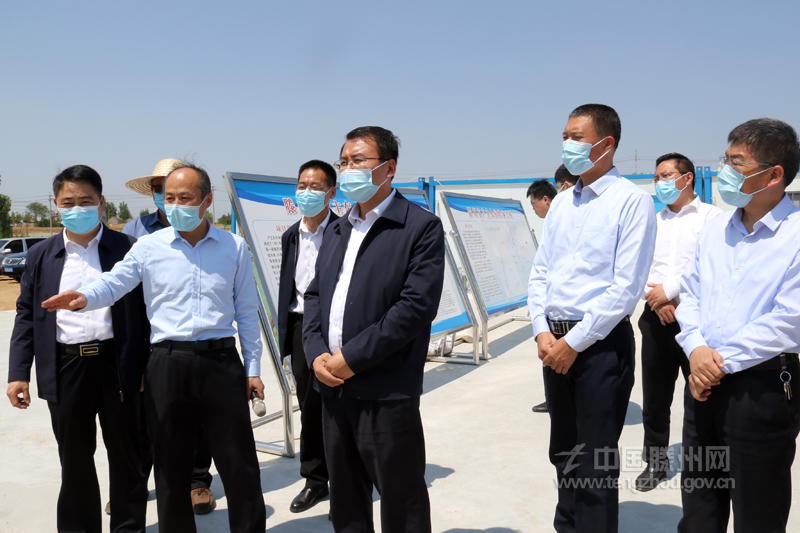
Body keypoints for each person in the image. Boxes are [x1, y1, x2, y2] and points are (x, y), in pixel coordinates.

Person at [42, 161, 267, 533]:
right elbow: (114, 282)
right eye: (169, 198)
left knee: (239, 463)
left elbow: (246, 310)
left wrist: (253, 368)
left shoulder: (233, 246)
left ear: (207, 200)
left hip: (221, 362)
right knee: (169, 467)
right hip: (166, 363)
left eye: (185, 198)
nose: (175, 205)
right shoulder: (148, 247)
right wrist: (84, 297)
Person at [302, 126, 445, 532]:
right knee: (346, 500)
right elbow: (314, 295)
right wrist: (315, 353)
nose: (348, 169)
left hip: (385, 390)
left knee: (401, 500)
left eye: (358, 161)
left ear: (389, 168)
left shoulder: (419, 227)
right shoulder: (338, 227)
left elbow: (414, 308)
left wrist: (351, 358)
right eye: (343, 162)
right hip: (332, 387)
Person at [528, 104, 656, 533]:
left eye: (577, 137)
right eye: (565, 136)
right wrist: (542, 331)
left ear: (606, 144)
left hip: (600, 347)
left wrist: (573, 343)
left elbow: (626, 288)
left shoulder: (633, 202)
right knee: (564, 453)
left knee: (594, 462)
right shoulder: (563, 203)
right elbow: (541, 273)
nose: (567, 145)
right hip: (554, 345)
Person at [7, 165, 149, 533]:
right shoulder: (40, 255)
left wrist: (145, 367)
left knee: (127, 457)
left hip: (118, 365)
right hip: (66, 368)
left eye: (85, 201)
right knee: (74, 461)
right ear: (55, 206)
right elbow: (26, 315)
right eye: (68, 202)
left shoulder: (128, 249)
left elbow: (147, 311)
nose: (77, 208)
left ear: (102, 203)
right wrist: (18, 373)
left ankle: (128, 528)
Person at [676, 118, 800, 532]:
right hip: (701, 384)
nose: (725, 171)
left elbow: (789, 319)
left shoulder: (796, 235)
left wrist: (717, 362)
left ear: (774, 174)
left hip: (760, 389)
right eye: (725, 160)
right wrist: (696, 350)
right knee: (699, 509)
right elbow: (690, 294)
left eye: (737, 162)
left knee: (758, 513)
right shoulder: (715, 228)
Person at [122, 158, 217, 515]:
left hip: (192, 338)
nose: (169, 197)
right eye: (161, 189)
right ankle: (135, 485)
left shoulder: (211, 235)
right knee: (145, 418)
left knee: (197, 417)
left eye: (178, 191)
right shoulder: (135, 230)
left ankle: (197, 481)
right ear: (153, 192)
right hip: (146, 331)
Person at [634, 153, 721, 492]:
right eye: (657, 177)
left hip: (696, 321)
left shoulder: (712, 217)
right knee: (655, 398)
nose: (660, 183)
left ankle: (703, 464)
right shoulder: (652, 221)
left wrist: (670, 292)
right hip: (656, 319)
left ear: (687, 178)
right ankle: (655, 463)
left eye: (666, 176)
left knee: (701, 393)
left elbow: (710, 265)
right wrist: (655, 299)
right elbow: (637, 265)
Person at [277, 160, 338, 513]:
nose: (307, 192)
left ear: (331, 193)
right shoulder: (291, 236)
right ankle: (316, 480)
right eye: (302, 186)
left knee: (341, 407)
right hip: (302, 328)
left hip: (336, 327)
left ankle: (348, 481)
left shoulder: (344, 232)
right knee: (310, 407)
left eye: (315, 187)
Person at [527, 177, 559, 415]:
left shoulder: (559, 219)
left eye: (534, 204)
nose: (534, 209)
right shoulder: (552, 222)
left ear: (545, 199)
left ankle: (554, 400)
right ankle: (553, 399)